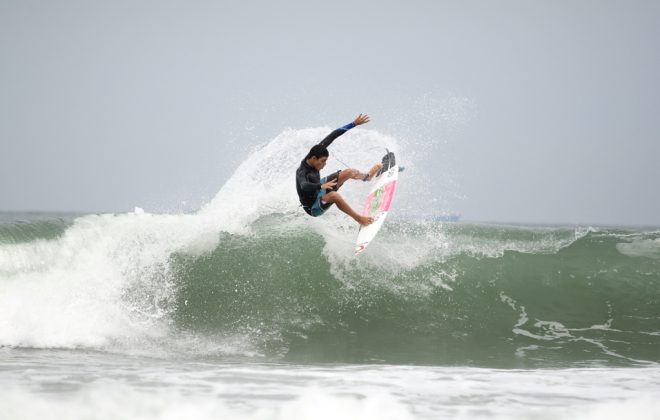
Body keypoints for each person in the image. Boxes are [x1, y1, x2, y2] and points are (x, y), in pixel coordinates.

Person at [295, 114, 382, 226]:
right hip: (313, 206)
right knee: (334, 196)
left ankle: (367, 176)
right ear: (313, 158)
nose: (324, 164)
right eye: (322, 161)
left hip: (319, 188)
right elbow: (304, 185)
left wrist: (353, 124)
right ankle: (359, 219)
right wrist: (320, 186)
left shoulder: (317, 152)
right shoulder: (302, 171)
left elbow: (331, 136)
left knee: (349, 172)